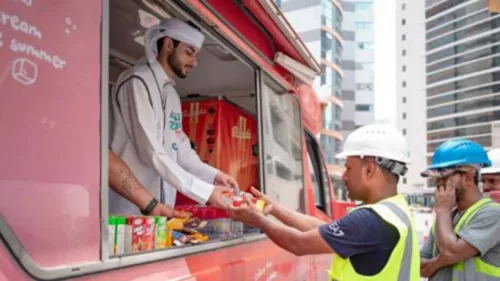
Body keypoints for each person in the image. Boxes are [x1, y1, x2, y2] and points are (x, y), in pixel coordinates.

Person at [229, 124, 420, 281]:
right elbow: (324, 228)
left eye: (348, 168)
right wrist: (275, 209)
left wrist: (258, 220)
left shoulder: (370, 220)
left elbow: (298, 244)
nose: (344, 176)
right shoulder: (394, 210)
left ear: (369, 170)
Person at [110, 19, 237, 215]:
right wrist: (205, 192)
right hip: (130, 210)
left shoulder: (172, 96)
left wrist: (215, 176)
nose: (194, 62)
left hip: (163, 209)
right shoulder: (137, 81)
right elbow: (151, 151)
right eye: (189, 52)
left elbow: (181, 152)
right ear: (169, 44)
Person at [419, 139, 500, 280]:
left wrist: (443, 210)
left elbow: (450, 252)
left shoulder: (493, 213)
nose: (439, 184)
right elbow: (420, 268)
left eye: (444, 177)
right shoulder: (444, 219)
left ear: (468, 177)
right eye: (436, 178)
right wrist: (442, 261)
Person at [108, 150, 183, 217]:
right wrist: (152, 206)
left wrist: (153, 206)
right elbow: (106, 158)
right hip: (120, 211)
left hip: (153, 209)